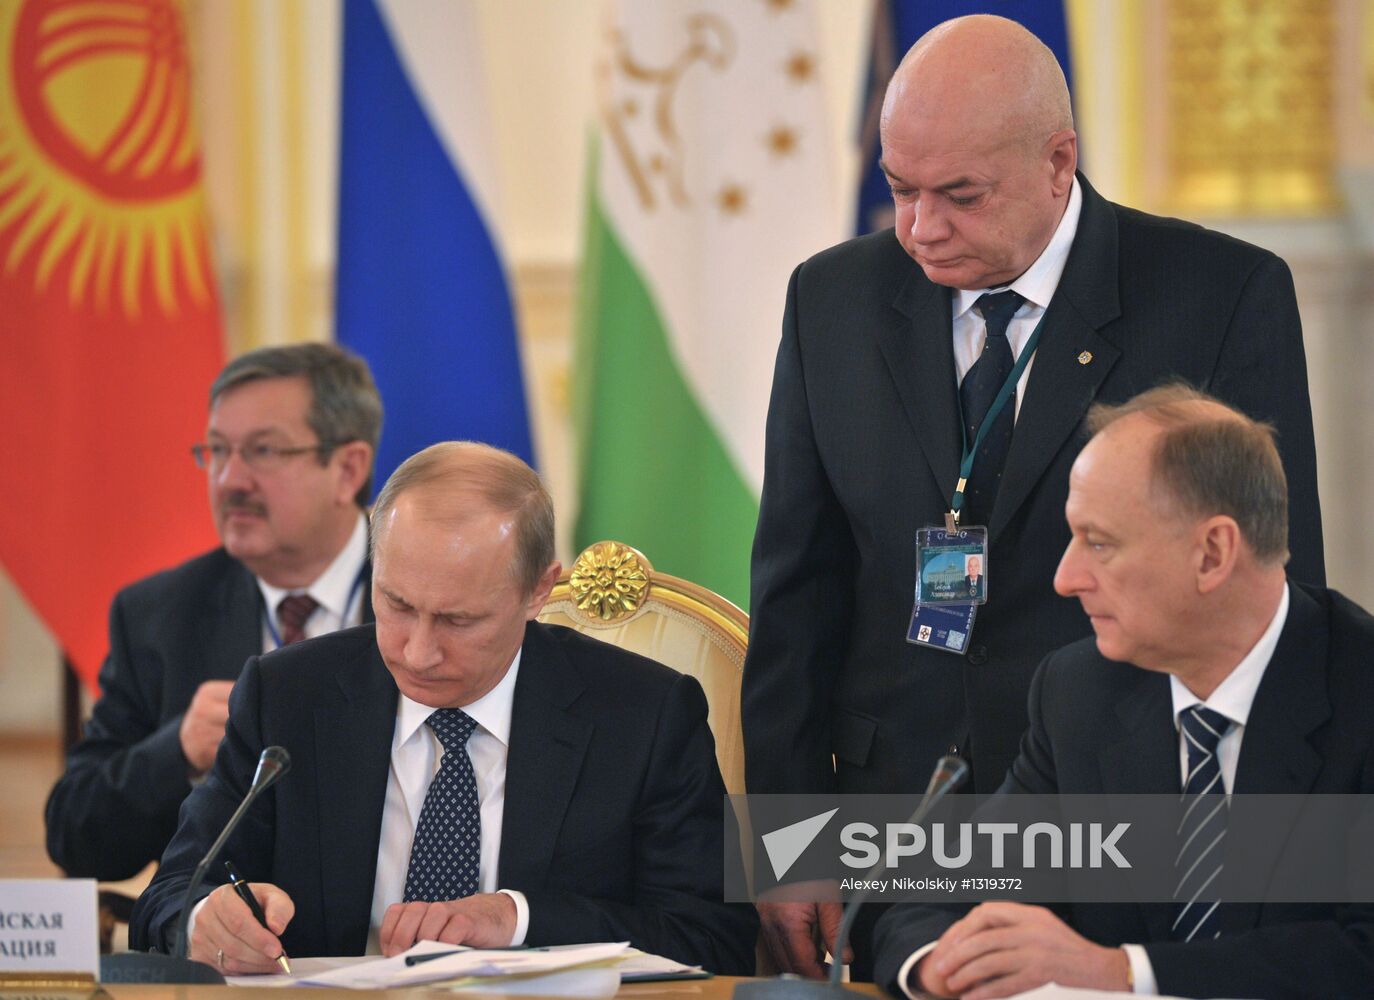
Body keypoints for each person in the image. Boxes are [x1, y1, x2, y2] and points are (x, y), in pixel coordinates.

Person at [742, 14, 1325, 978]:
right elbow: (796, 591)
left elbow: (1267, 594)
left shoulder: (1221, 295)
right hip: (897, 827)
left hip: (1124, 822)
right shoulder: (832, 301)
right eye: (900, 190)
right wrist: (790, 844)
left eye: (961, 195)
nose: (922, 228)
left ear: (1060, 161)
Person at [129, 442, 758, 975]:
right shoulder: (288, 695)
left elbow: (712, 936)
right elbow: (170, 895)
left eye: (458, 619)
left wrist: (518, 920)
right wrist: (204, 919)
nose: (418, 651)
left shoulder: (642, 715)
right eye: (396, 604)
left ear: (539, 589)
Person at [874, 386, 1374, 998]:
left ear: (1213, 552)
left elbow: (1362, 952)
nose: (1065, 578)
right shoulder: (1079, 691)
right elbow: (937, 897)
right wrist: (941, 965)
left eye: (1100, 543)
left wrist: (1122, 973)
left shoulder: (1358, 689)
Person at [45, 344, 382, 880]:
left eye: (264, 451)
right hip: (226, 951)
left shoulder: (426, 595)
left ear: (348, 468)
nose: (230, 480)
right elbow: (75, 837)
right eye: (218, 451)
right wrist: (175, 751)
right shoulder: (158, 616)